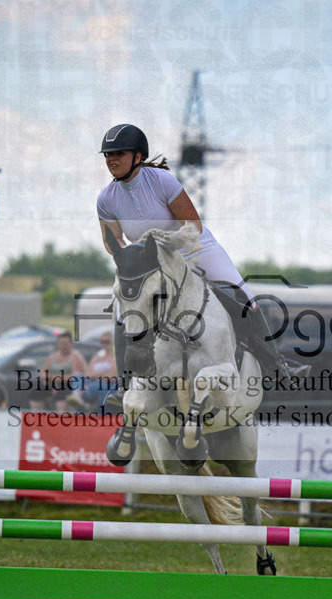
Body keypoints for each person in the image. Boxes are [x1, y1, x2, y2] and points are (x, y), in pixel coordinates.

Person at [95, 123, 309, 406]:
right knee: (126, 313)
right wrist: (130, 261)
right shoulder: (106, 199)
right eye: (107, 155)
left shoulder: (161, 180)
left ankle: (278, 367)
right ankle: (126, 385)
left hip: (194, 248)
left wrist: (165, 250)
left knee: (242, 297)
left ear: (137, 156)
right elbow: (112, 242)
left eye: (118, 153)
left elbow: (192, 225)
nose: (111, 159)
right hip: (151, 264)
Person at [66, 331, 119, 412]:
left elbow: (112, 377)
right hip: (94, 382)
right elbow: (88, 374)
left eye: (107, 342)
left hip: (107, 385)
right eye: (102, 342)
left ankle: (81, 400)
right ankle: (77, 396)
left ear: (112, 342)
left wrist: (96, 375)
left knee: (96, 387)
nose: (104, 344)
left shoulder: (115, 357)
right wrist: (102, 373)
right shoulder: (97, 356)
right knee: (77, 376)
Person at [37, 332, 88, 412]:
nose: (63, 346)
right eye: (61, 343)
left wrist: (55, 378)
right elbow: (43, 373)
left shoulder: (75, 356)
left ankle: (62, 419)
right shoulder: (52, 357)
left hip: (68, 385)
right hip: (52, 384)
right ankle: (38, 417)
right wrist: (50, 377)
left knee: (62, 395)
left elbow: (76, 376)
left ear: (71, 344)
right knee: (36, 392)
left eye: (65, 343)